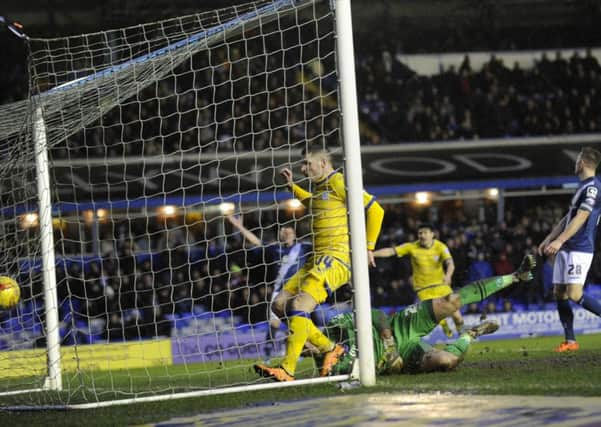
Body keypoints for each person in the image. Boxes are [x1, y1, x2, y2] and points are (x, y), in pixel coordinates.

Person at [254, 143, 384, 382]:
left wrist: (368, 247)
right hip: (315, 258)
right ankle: (329, 349)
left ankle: (287, 368)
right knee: (280, 304)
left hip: (335, 258)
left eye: (307, 163)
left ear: (323, 163)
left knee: (299, 306)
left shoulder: (338, 181)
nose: (303, 168)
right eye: (302, 164)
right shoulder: (320, 187)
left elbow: (376, 210)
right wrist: (292, 186)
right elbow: (314, 203)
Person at [323, 254, 536, 376]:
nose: (309, 347)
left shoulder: (335, 326)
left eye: (307, 342)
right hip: (405, 355)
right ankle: (470, 335)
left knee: (451, 301)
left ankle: (515, 276)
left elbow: (377, 315)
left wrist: (389, 346)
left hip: (401, 327)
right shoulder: (331, 370)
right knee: (447, 361)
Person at [538, 146, 601, 352]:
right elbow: (569, 217)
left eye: (577, 161)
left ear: (582, 163)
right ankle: (570, 341)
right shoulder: (582, 187)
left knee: (574, 294)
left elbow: (582, 217)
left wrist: (559, 240)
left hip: (580, 247)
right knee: (559, 292)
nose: (575, 164)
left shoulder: (592, 187)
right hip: (566, 246)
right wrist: (550, 238)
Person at [226, 214, 311, 357]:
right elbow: (256, 242)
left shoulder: (303, 248)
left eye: (289, 231)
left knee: (297, 323)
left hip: (297, 292)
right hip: (279, 291)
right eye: (283, 232)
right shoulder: (275, 249)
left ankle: (293, 351)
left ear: (294, 234)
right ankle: (267, 352)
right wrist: (239, 227)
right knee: (274, 324)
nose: (286, 234)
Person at [373, 223, 464, 337]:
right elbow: (391, 251)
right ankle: (443, 324)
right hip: (424, 290)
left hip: (442, 287)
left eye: (425, 232)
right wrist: (372, 254)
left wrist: (448, 275)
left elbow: (450, 263)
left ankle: (463, 335)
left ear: (432, 234)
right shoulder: (412, 247)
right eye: (420, 233)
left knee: (457, 316)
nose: (422, 235)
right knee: (436, 315)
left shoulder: (440, 246)